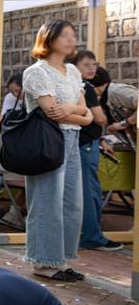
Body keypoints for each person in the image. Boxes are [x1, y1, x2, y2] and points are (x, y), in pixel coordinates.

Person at [22, 20, 93, 281]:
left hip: (72, 138)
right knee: (46, 201)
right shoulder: (36, 72)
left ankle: (60, 259)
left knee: (72, 203)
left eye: (73, 35)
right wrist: (77, 112)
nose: (71, 40)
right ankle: (43, 262)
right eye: (65, 35)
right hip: (48, 140)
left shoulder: (73, 71)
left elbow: (86, 114)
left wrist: (71, 110)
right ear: (49, 39)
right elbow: (52, 112)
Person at [73, 52, 124, 252]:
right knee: (90, 191)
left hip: (77, 142)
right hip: (85, 144)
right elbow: (100, 119)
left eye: (94, 64)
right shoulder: (86, 88)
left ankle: (85, 234)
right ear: (74, 66)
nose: (92, 68)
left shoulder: (68, 85)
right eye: (86, 65)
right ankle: (93, 236)